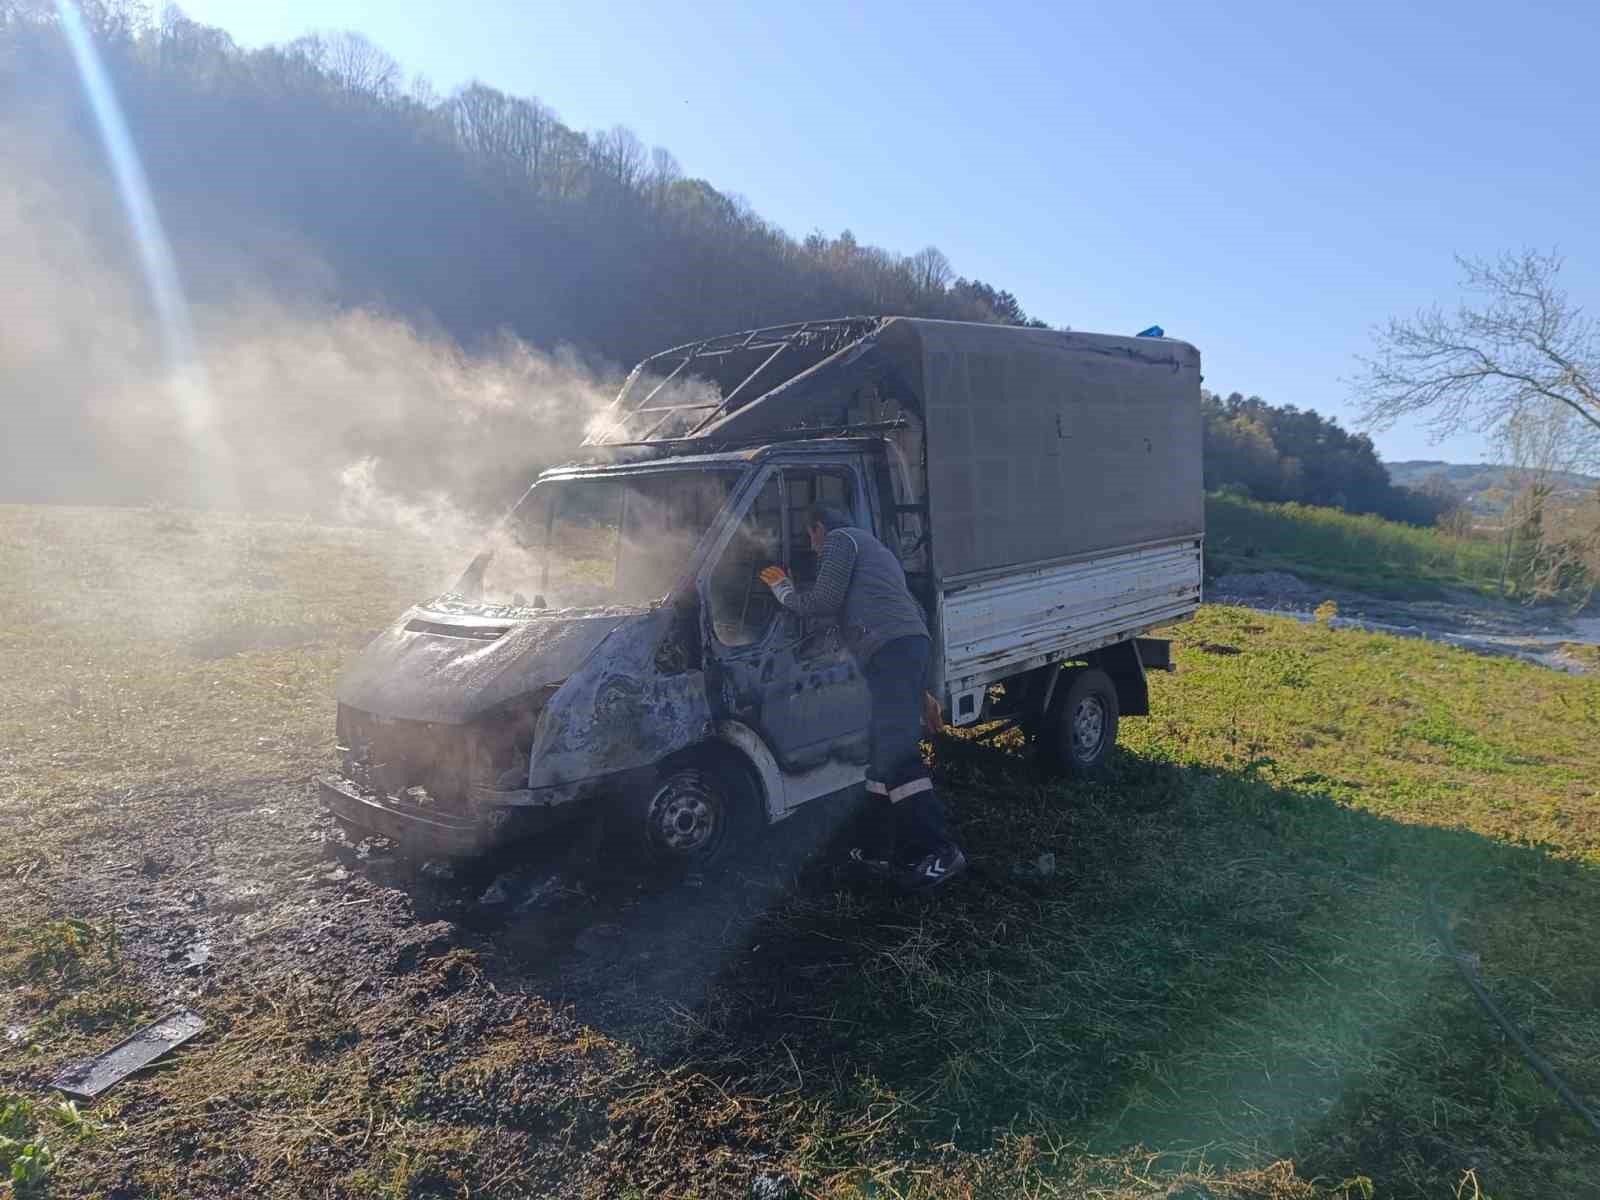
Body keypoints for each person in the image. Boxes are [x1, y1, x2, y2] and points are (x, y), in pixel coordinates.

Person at [759, 505, 967, 890]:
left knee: (898, 754)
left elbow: (822, 603)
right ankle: (876, 849)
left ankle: (940, 852)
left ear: (819, 528)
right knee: (881, 754)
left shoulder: (842, 540)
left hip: (892, 652)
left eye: (810, 537)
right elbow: (904, 612)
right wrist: (919, 687)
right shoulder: (878, 551)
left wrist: (783, 590)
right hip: (905, 649)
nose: (813, 546)